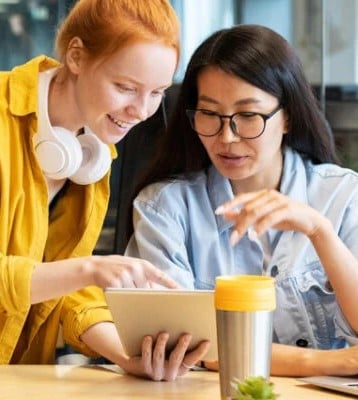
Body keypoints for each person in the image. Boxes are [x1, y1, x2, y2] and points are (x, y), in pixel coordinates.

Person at [125, 24, 358, 376]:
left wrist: (320, 231)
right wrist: (329, 362)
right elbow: (185, 345)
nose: (227, 137)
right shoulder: (165, 208)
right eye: (210, 114)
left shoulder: (344, 195)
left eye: (248, 116)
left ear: (288, 117)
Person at [0, 0, 210, 381]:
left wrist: (127, 356)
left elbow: (67, 294)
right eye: (126, 88)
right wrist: (89, 269)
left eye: (157, 92)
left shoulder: (91, 153)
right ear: (76, 56)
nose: (141, 111)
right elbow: (74, 274)